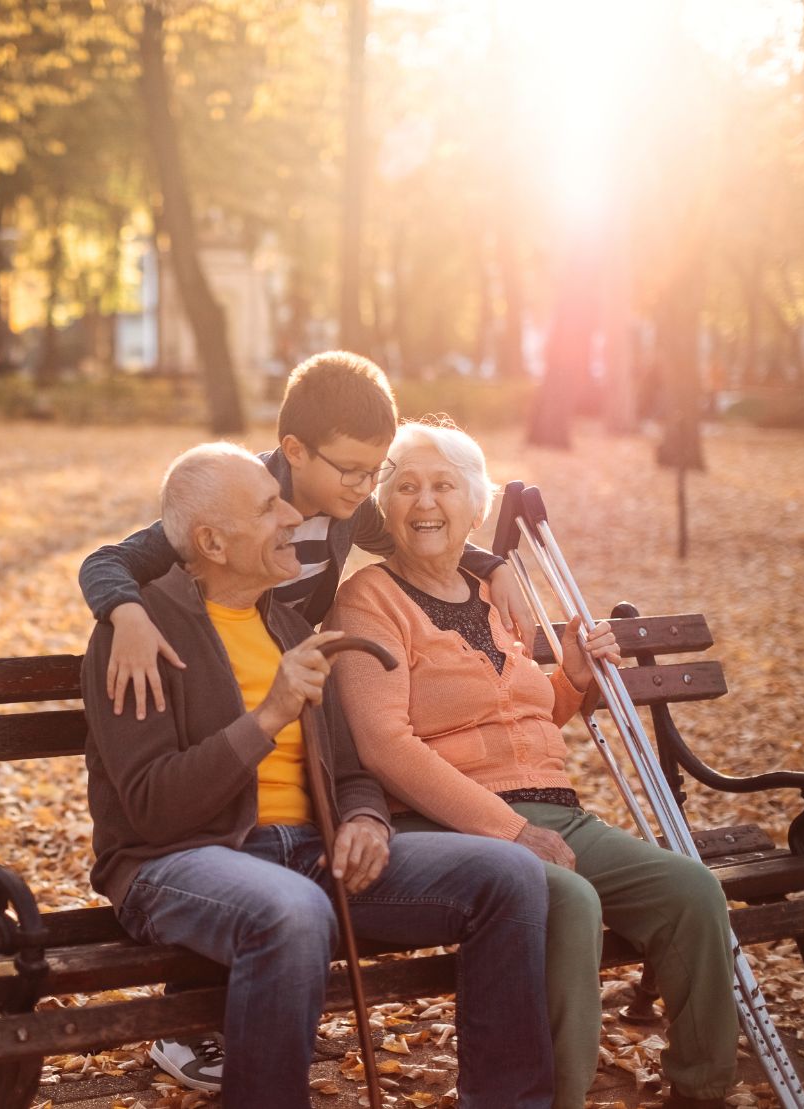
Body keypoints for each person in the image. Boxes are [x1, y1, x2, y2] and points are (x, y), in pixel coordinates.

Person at [82, 441, 555, 1109]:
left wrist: (364, 816)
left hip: (307, 850)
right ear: (212, 541)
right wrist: (268, 714)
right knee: (292, 911)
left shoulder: (285, 622)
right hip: (175, 861)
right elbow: (153, 809)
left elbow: (350, 766)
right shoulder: (137, 636)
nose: (289, 518)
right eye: (267, 506)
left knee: (509, 874)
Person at [327, 419, 739, 1109]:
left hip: (558, 812)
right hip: (452, 827)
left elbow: (523, 717)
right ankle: (556, 1100)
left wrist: (572, 678)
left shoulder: (492, 593)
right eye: (404, 486)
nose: (423, 502)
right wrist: (510, 831)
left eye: (442, 485)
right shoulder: (367, 600)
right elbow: (384, 745)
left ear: (475, 503)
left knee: (691, 890)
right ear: (384, 506)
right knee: (569, 901)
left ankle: (701, 1092)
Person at [79, 350, 534, 721]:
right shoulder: (236, 499)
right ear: (295, 451)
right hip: (209, 682)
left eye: (376, 471)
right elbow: (106, 562)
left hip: (287, 681)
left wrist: (492, 567)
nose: (364, 487)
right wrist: (129, 616)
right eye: (351, 471)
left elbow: (415, 537)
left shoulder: (350, 510)